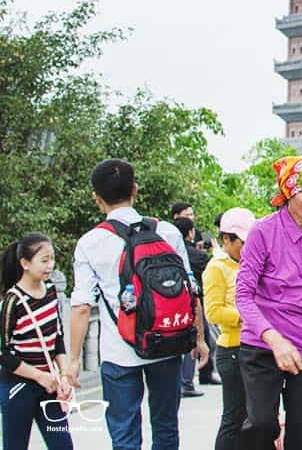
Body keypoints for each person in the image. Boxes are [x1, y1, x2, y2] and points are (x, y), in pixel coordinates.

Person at [65, 159, 209, 450]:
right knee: (166, 427)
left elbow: (81, 306)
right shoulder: (167, 231)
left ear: (96, 197)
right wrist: (200, 338)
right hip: (167, 344)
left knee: (124, 435)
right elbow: (190, 288)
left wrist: (73, 362)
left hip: (119, 353)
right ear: (135, 190)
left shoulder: (91, 242)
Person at [236, 155, 302, 450]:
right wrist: (275, 339)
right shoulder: (263, 231)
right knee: (260, 424)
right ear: (288, 194)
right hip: (264, 343)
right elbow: (243, 296)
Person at [0, 233, 73, 450]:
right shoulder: (12, 301)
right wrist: (39, 376)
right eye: (44, 260)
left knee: (63, 445)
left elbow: (57, 338)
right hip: (18, 386)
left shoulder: (50, 290)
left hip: (50, 386)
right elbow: (3, 354)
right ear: (25, 263)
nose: (50, 265)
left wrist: (65, 375)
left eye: (52, 259)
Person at [204, 207, 255, 450]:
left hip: (254, 348)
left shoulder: (251, 263)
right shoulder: (217, 267)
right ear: (227, 239)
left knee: (253, 418)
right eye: (242, 242)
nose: (247, 248)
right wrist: (249, 317)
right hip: (232, 350)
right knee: (233, 418)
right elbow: (212, 311)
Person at [172, 203, 220, 388]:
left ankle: (193, 378)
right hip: (194, 299)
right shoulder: (192, 254)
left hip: (175, 300)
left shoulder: (167, 245)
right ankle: (188, 381)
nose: (191, 217)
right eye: (188, 214)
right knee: (199, 338)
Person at [177, 217, 210, 398]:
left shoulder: (170, 251)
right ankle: (187, 383)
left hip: (174, 304)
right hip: (194, 303)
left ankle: (181, 382)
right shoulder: (199, 256)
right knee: (194, 340)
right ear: (190, 233)